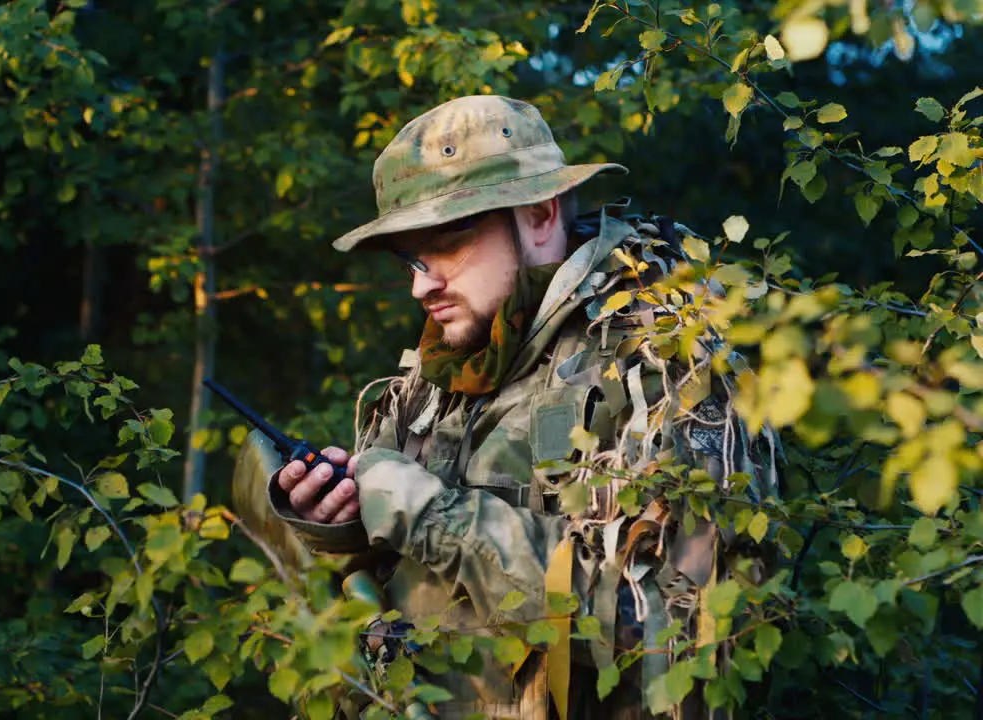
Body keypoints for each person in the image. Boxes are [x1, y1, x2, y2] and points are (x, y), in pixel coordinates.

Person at [266, 95, 779, 719]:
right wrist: (345, 525)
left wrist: (434, 517)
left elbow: (680, 636)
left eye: (446, 245)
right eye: (411, 259)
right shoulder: (443, 371)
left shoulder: (668, 364)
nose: (421, 285)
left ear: (538, 215)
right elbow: (405, 583)